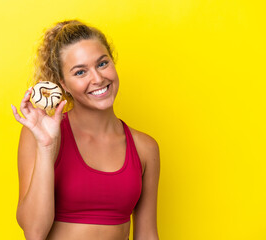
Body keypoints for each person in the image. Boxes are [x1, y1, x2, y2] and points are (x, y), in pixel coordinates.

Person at [11, 19, 160, 240]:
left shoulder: (145, 147)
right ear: (63, 84)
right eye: (80, 72)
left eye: (102, 64)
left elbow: (147, 234)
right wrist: (46, 147)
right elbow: (34, 232)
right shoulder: (40, 135)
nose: (98, 79)